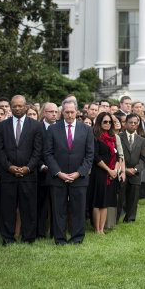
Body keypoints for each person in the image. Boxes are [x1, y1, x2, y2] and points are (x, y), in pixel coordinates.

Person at [44, 98, 94, 245]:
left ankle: (77, 238)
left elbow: (89, 155)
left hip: (79, 178)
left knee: (78, 210)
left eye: (72, 112)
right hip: (58, 177)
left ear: (76, 111)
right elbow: (48, 153)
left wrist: (79, 173)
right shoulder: (53, 129)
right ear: (62, 112)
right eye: (67, 112)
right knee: (58, 210)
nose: (70, 115)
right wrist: (58, 173)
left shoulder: (86, 129)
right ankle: (59, 239)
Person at [0, 95, 44, 245]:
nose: (17, 109)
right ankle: (8, 238)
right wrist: (9, 167)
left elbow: (38, 151)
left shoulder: (35, 126)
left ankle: (28, 238)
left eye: (20, 106)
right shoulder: (2, 126)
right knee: (7, 208)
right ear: (10, 107)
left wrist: (28, 168)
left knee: (28, 208)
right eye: (14, 106)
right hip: (8, 175)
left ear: (26, 107)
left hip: (28, 175)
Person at [87, 112, 119, 234]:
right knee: (97, 201)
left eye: (110, 122)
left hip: (111, 173)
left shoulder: (112, 137)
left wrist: (115, 170)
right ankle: (97, 229)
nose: (108, 124)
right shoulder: (95, 136)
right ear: (99, 122)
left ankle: (102, 229)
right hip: (99, 172)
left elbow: (116, 156)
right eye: (105, 121)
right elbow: (95, 156)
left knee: (105, 201)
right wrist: (108, 170)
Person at [117, 113, 145, 223]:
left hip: (135, 173)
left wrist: (135, 169)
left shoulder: (141, 140)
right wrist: (124, 169)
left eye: (135, 123)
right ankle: (116, 217)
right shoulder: (119, 137)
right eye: (131, 123)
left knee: (133, 198)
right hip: (122, 172)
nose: (133, 125)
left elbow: (143, 159)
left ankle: (130, 218)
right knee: (120, 197)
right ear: (125, 123)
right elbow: (117, 156)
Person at [37, 102, 59, 239]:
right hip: (41, 174)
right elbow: (34, 150)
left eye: (56, 112)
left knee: (56, 205)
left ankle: (54, 231)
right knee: (41, 204)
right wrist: (42, 166)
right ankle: (39, 232)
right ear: (44, 113)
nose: (54, 114)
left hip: (58, 173)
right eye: (51, 112)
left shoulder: (61, 128)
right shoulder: (37, 128)